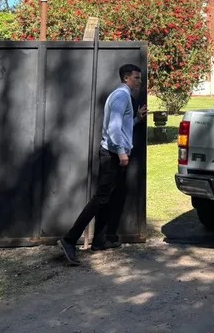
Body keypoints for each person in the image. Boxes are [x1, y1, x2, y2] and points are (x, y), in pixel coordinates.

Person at [57, 63, 148, 265]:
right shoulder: (121, 96)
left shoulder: (123, 97)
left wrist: (136, 120)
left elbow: (121, 126)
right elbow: (113, 128)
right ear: (126, 78)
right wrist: (122, 152)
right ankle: (69, 239)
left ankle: (100, 241)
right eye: (136, 77)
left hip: (114, 154)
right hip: (112, 155)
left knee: (108, 198)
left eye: (139, 78)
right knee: (101, 198)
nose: (139, 81)